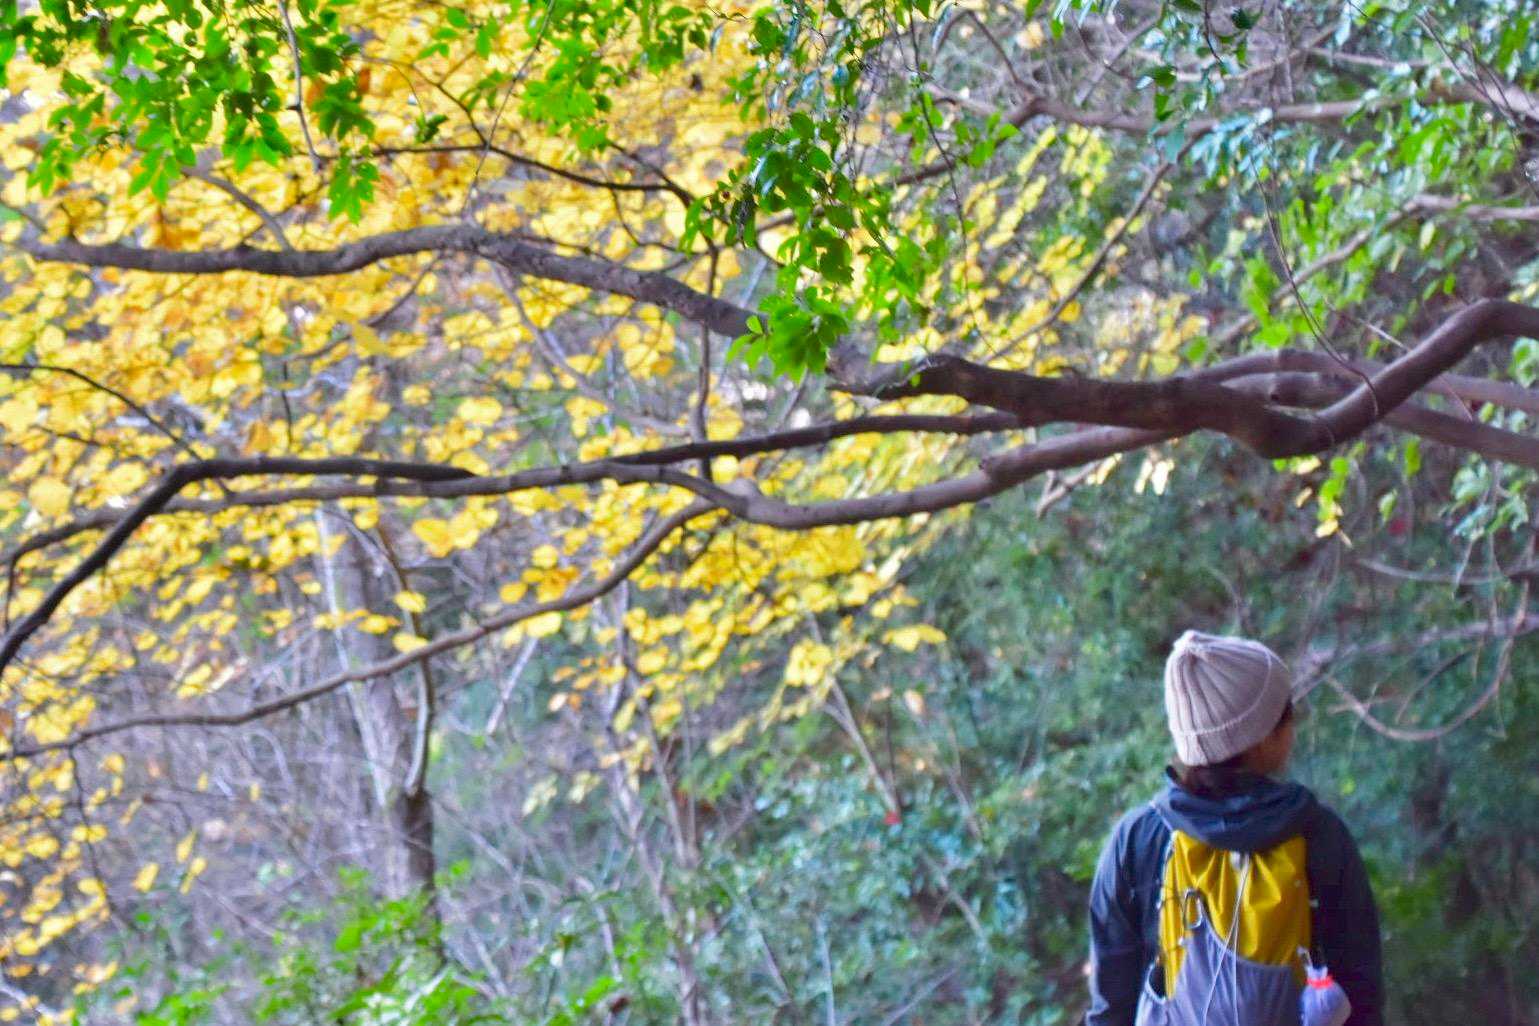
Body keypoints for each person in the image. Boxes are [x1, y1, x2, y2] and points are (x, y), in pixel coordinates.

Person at [1086, 630, 1383, 1026]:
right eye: (1285, 715)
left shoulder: (1138, 839)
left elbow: (1111, 1005)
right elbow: (1361, 992)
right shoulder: (1319, 833)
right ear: (1261, 737)